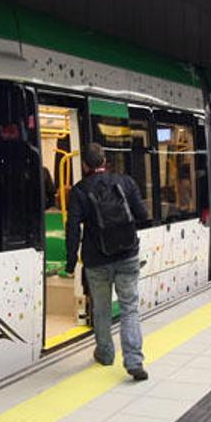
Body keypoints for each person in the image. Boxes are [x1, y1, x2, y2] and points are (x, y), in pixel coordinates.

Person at [65, 143, 150, 380]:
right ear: (105, 161)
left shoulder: (79, 190)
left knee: (101, 309)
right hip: (127, 255)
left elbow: (72, 229)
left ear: (85, 165)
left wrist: (70, 263)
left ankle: (105, 353)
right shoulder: (126, 182)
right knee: (129, 308)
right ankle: (134, 360)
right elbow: (143, 215)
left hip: (96, 260)